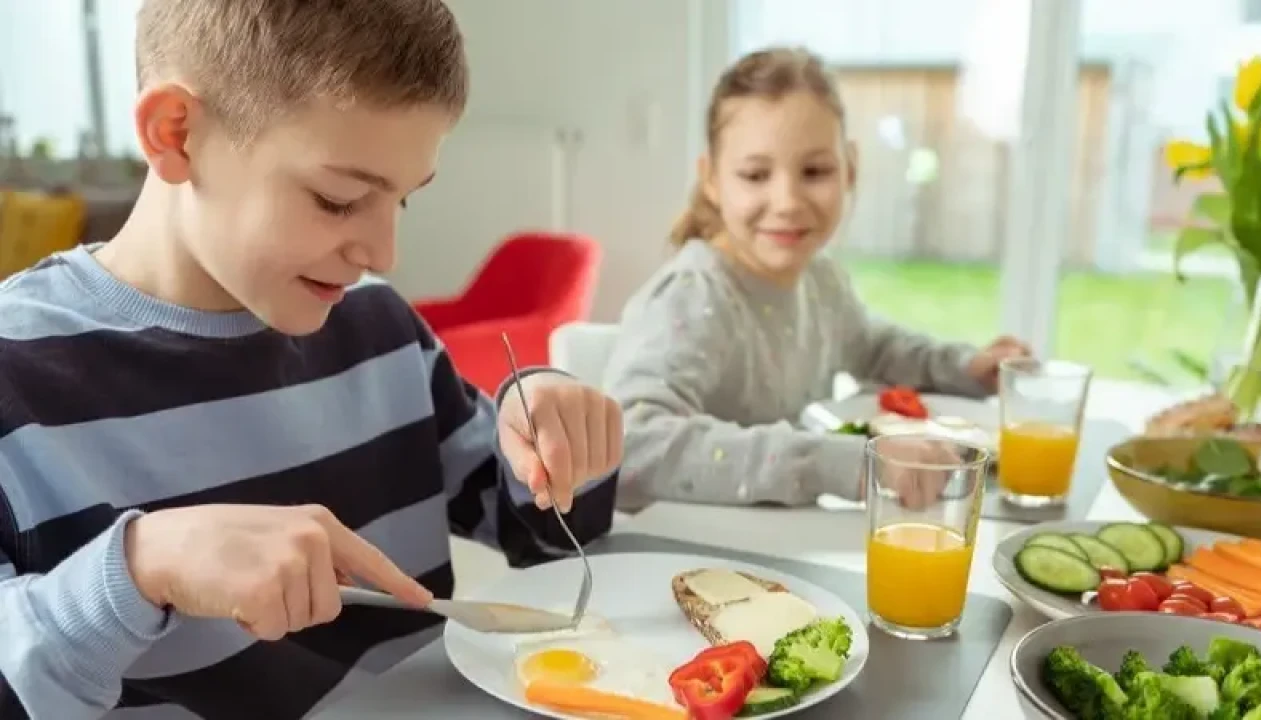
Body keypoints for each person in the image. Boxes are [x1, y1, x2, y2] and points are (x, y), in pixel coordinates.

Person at [0, 1, 622, 718]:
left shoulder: (379, 328)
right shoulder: (18, 376)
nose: (383, 253)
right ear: (176, 134)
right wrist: (139, 569)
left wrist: (556, 434)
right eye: (339, 199)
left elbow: (540, 530)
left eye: (402, 201)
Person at [602, 47, 1029, 512]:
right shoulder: (694, 295)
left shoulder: (821, 280)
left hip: (786, 540)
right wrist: (847, 465)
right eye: (755, 175)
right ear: (712, 180)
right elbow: (633, 442)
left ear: (850, 169)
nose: (787, 201)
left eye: (815, 171)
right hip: (692, 548)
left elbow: (876, 347)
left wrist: (967, 367)